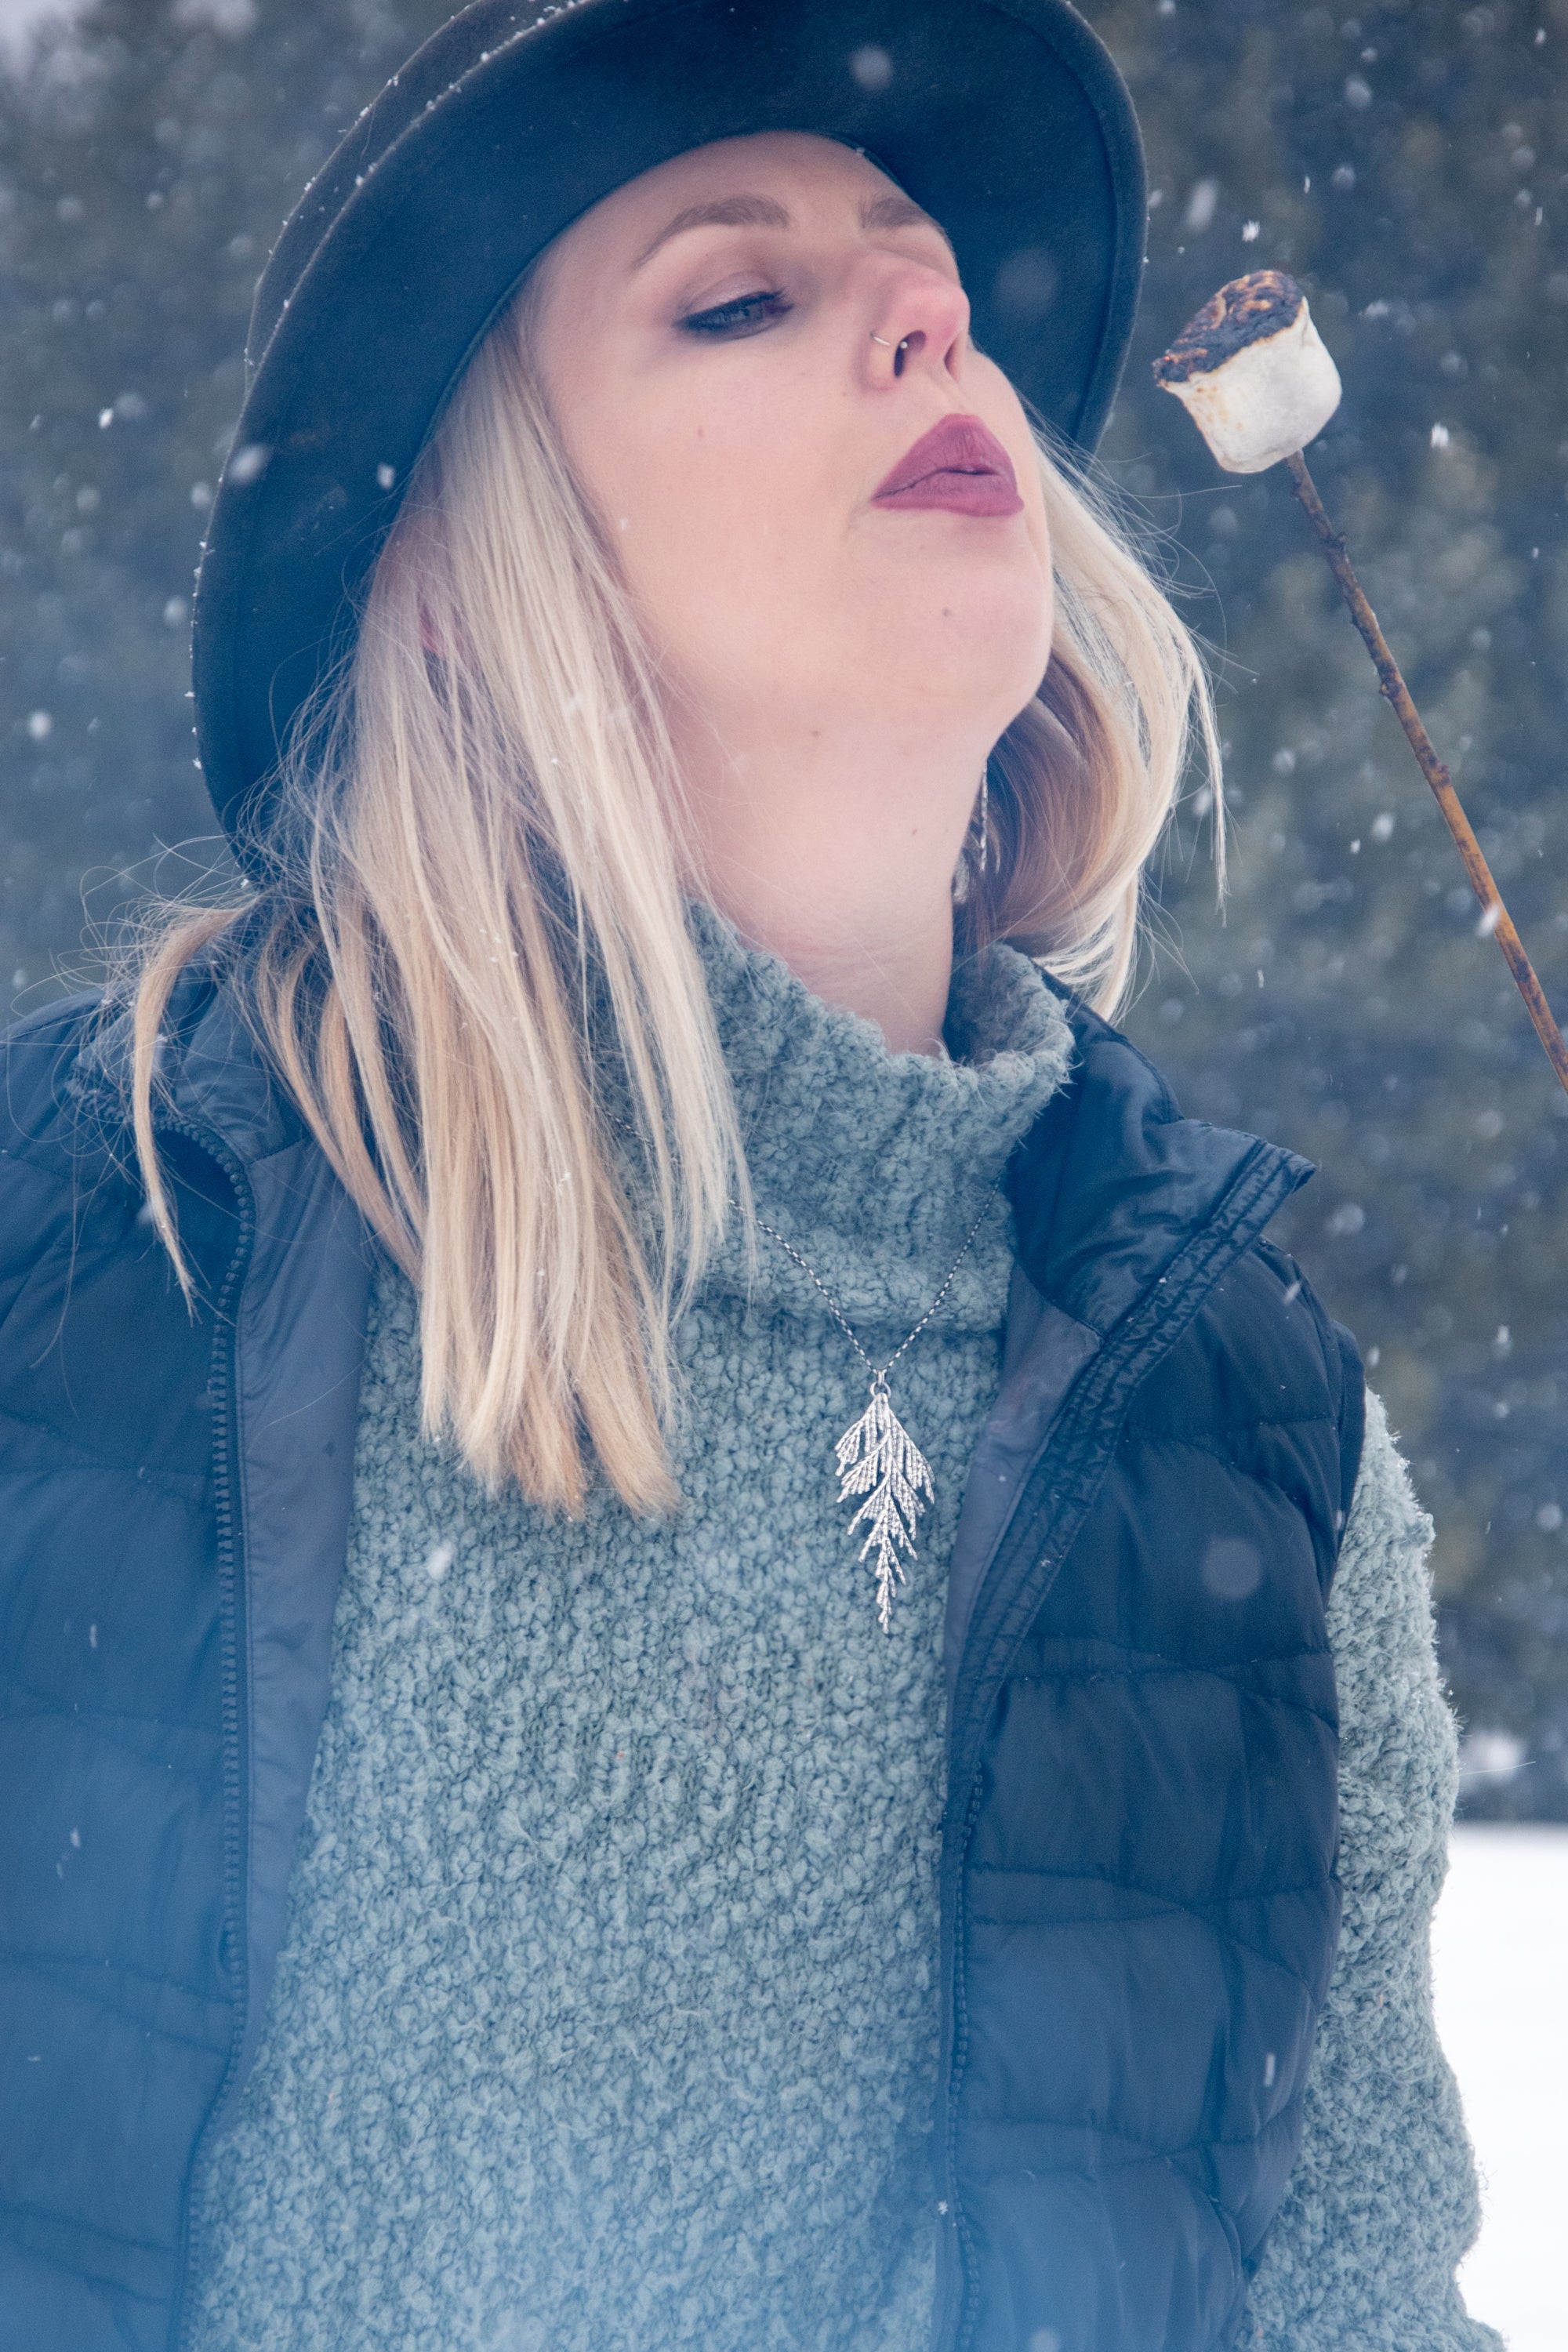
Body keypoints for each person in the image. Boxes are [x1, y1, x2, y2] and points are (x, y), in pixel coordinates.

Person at [0, 3, 1501, 2348]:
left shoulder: (1254, 1428)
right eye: (740, 295)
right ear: (464, 580)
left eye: (937, 290)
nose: (937, 320)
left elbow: (1351, 2305)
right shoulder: (104, 1244)